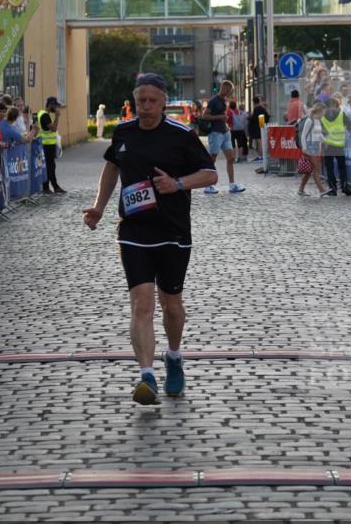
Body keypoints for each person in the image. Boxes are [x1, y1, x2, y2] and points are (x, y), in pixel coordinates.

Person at [82, 73, 217, 405]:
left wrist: (179, 184)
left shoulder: (181, 135)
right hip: (133, 231)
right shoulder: (124, 132)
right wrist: (99, 206)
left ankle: (173, 356)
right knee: (141, 305)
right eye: (140, 100)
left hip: (172, 231)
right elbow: (112, 167)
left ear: (164, 103)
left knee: (171, 306)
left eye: (152, 101)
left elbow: (210, 173)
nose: (145, 107)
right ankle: (146, 377)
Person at [202, 80, 245, 195]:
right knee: (212, 159)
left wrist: (224, 122)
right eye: (229, 91)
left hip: (225, 132)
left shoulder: (223, 100)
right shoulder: (213, 101)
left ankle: (232, 185)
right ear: (224, 88)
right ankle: (208, 185)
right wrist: (220, 117)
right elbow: (204, 115)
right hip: (215, 133)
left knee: (230, 158)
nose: (229, 93)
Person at [320, 97, 351, 196]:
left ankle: (333, 189)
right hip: (339, 145)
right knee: (342, 167)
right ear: (336, 105)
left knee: (329, 168)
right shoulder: (341, 114)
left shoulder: (322, 116)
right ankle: (344, 186)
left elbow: (319, 130)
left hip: (328, 146)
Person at [298, 103, 328, 197]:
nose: (325, 113)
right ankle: (321, 189)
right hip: (309, 146)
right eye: (324, 111)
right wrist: (305, 148)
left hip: (315, 146)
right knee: (316, 168)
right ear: (320, 110)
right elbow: (303, 135)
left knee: (309, 170)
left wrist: (327, 141)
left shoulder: (318, 120)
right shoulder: (309, 120)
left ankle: (301, 189)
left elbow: (319, 134)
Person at [38, 96, 66, 194]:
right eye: (55, 106)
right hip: (47, 145)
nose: (56, 109)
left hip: (47, 145)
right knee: (50, 167)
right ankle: (49, 187)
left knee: (49, 166)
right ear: (51, 105)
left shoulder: (42, 113)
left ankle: (51, 186)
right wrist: (57, 117)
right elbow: (53, 128)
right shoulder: (45, 116)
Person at [248, 95, 270, 161]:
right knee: (259, 141)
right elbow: (266, 117)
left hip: (258, 127)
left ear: (254, 102)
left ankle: (260, 156)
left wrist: (249, 117)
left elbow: (255, 118)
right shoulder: (262, 109)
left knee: (259, 141)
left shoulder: (257, 109)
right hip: (260, 126)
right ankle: (260, 155)